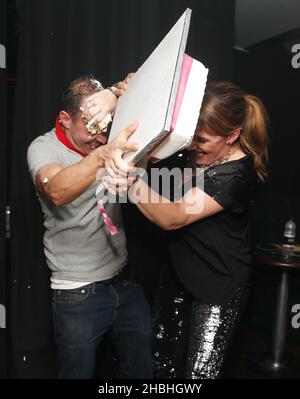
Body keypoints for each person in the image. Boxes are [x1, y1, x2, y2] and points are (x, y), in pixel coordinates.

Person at [101, 81, 268, 378]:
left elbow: (173, 216)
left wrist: (131, 180)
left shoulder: (235, 176)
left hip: (219, 284)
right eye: (192, 138)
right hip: (180, 276)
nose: (193, 146)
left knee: (198, 376)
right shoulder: (200, 154)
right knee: (163, 364)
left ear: (232, 136)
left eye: (202, 140)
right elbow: (173, 191)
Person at [27, 75, 153, 379]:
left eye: (104, 127)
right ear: (65, 119)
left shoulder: (108, 135)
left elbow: (148, 78)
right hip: (77, 293)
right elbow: (57, 190)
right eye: (91, 127)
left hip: (124, 281)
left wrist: (115, 93)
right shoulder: (43, 148)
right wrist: (103, 155)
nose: (99, 137)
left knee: (141, 369)